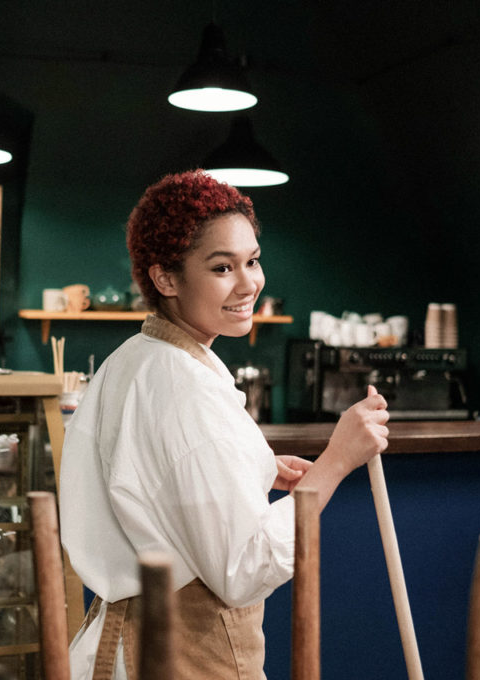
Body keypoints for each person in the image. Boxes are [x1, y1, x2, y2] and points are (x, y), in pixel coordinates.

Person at [59, 170, 389, 680]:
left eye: (252, 261)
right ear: (166, 278)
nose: (248, 283)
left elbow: (151, 482)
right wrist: (338, 459)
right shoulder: (182, 388)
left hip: (125, 643)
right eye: (222, 267)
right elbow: (246, 568)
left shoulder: (134, 357)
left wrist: (251, 466)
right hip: (183, 657)